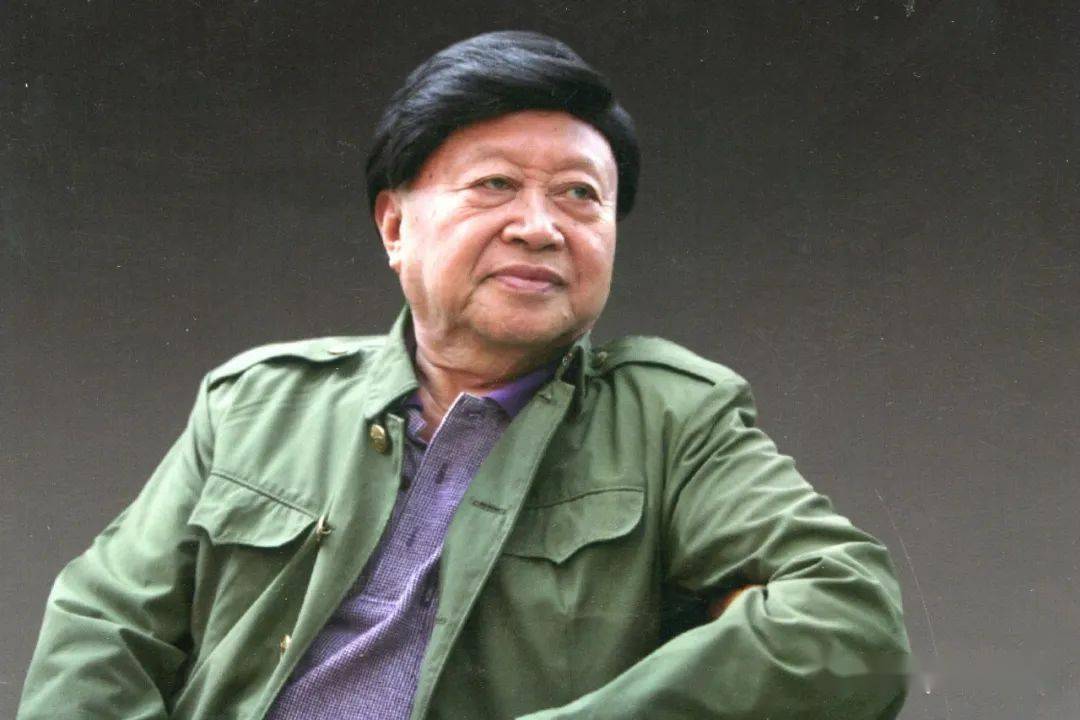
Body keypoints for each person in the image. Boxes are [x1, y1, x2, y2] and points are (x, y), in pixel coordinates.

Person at [18, 30, 911, 720]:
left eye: (580, 195)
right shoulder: (259, 402)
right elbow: (103, 628)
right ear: (394, 225)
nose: (540, 226)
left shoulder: (672, 419)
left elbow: (851, 617)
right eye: (494, 186)